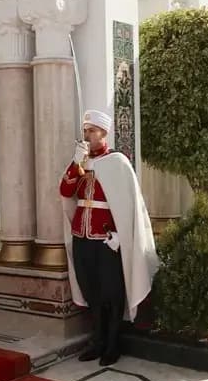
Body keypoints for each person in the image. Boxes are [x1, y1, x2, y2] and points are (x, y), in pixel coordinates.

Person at [60, 109, 158, 366]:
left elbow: (128, 205)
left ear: (104, 132)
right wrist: (75, 164)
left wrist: (119, 234)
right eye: (85, 131)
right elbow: (65, 191)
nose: (87, 135)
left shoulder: (117, 162)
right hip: (82, 237)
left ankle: (113, 345)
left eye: (92, 131)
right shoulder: (81, 162)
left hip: (107, 241)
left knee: (111, 294)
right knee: (91, 292)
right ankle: (97, 342)